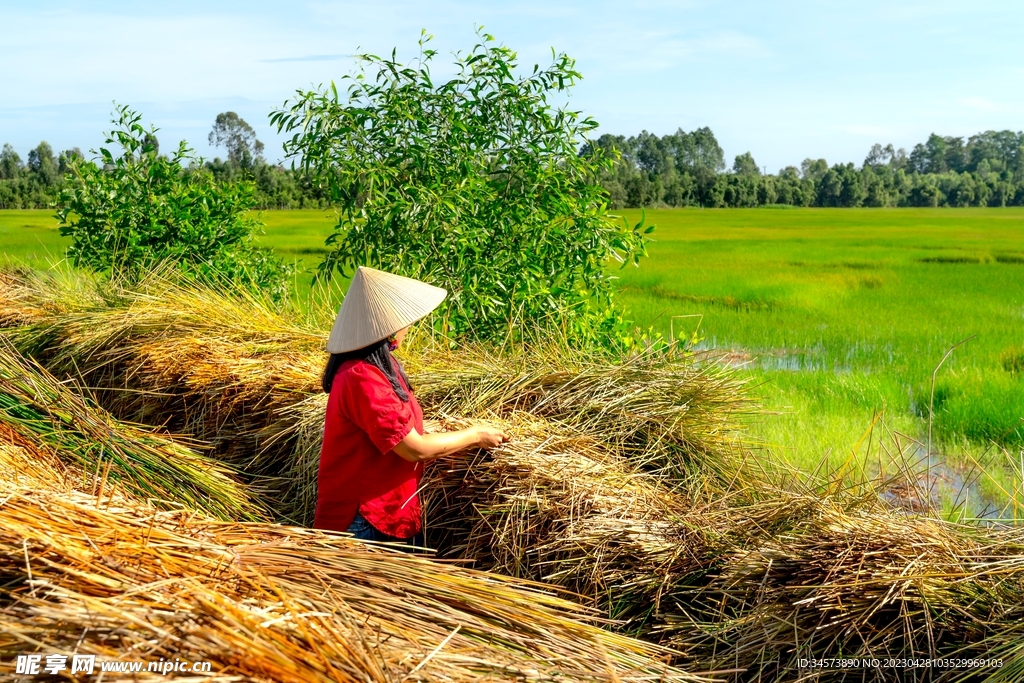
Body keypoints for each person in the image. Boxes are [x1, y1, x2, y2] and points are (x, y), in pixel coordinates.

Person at [315, 266, 506, 546]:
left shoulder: (380, 365)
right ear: (387, 327)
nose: (408, 327)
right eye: (404, 321)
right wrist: (475, 435)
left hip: (391, 508)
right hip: (365, 519)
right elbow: (413, 448)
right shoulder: (362, 377)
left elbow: (398, 427)